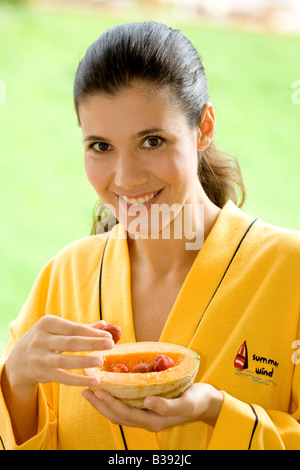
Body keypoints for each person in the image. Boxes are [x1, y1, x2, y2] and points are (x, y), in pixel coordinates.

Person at [1, 21, 300, 451]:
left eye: (152, 141)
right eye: (100, 146)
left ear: (205, 128)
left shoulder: (289, 271)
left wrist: (219, 412)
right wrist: (17, 380)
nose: (126, 178)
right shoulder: (64, 278)